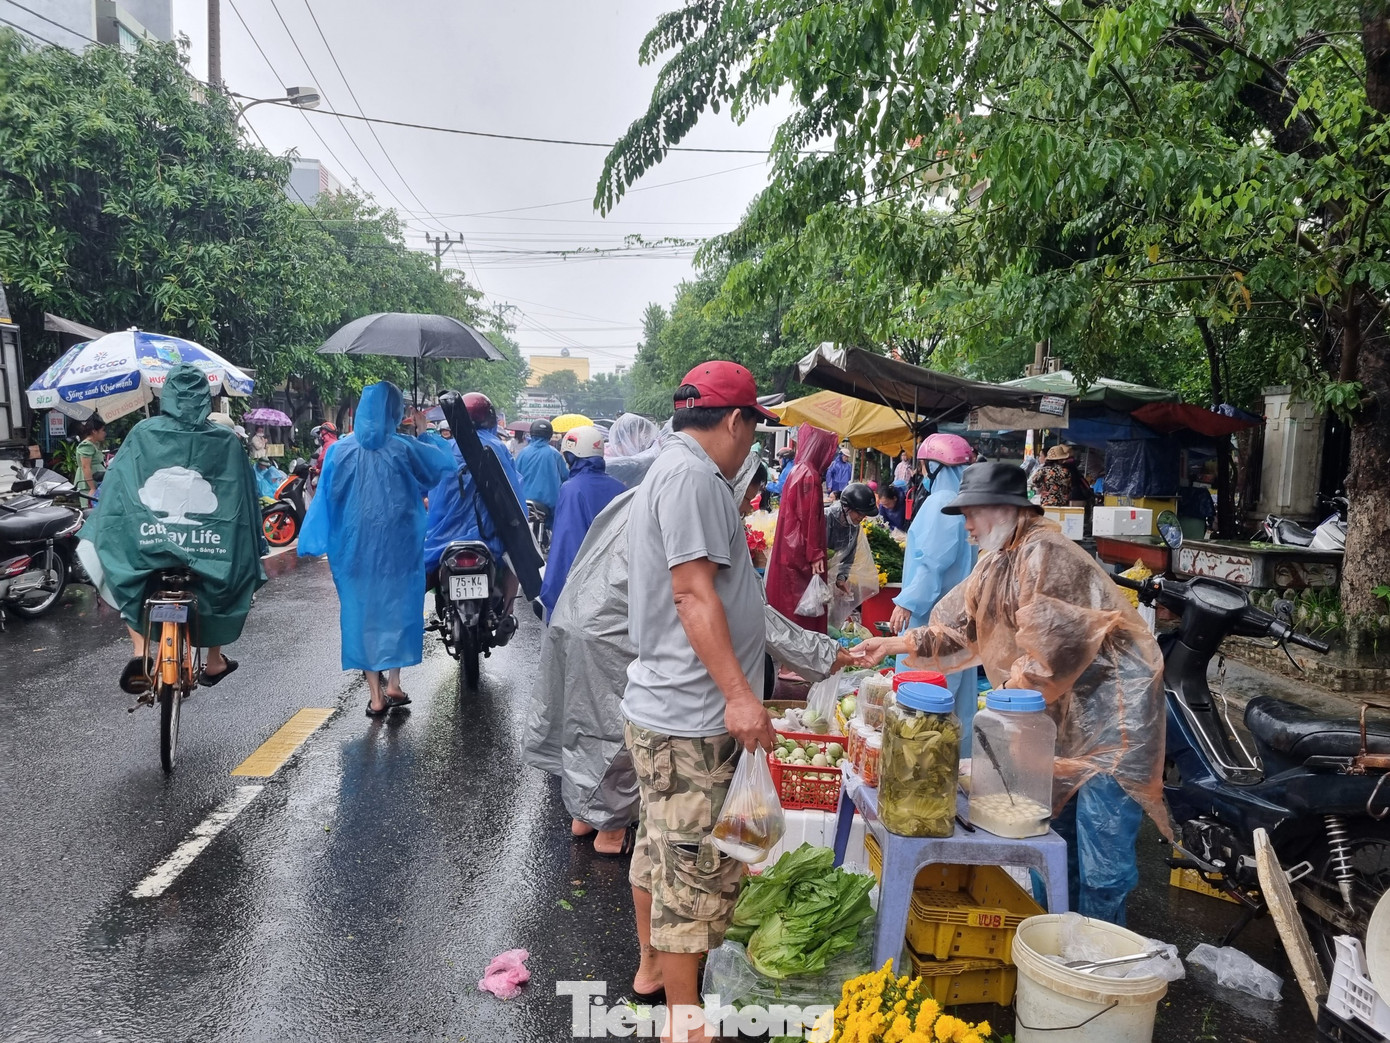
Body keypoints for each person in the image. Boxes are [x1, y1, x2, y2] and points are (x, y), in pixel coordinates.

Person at [853, 461, 1169, 924]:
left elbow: (1052, 655)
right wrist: (893, 644)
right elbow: (959, 629)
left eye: (971, 514)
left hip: (1112, 719)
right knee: (1050, 836)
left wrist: (1003, 703)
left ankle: (1097, 951)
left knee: (1102, 860)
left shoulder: (1047, 555)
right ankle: (1052, 935)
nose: (966, 526)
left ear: (1005, 509)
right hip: (1054, 716)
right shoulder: (998, 560)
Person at [524, 448, 849, 862]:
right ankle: (609, 831)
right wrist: (825, 653)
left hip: (582, 614)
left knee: (590, 726)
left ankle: (586, 818)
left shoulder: (646, 491)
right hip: (613, 632)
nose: (748, 509)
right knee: (614, 734)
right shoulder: (697, 510)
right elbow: (745, 613)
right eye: (748, 498)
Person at [621, 361, 781, 1033]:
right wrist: (741, 696)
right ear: (736, 420)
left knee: (660, 848)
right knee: (689, 868)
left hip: (667, 708)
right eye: (754, 430)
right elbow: (692, 594)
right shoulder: (692, 477)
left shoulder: (675, 469)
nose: (752, 445)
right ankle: (686, 1022)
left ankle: (653, 973)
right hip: (690, 717)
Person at [77, 364, 266, 694]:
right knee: (229, 583)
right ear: (205, 398)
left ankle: (140, 653)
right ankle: (214, 659)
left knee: (124, 575)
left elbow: (119, 489)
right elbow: (243, 500)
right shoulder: (226, 440)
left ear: (167, 396)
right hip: (210, 551)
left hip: (148, 547)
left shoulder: (142, 432)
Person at [298, 381, 456, 717]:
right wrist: (424, 433)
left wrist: (316, 538)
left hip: (352, 548)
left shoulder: (339, 451)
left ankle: (375, 696)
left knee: (361, 615)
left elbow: (326, 497)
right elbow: (439, 468)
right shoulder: (404, 448)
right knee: (399, 610)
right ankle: (394, 683)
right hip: (399, 548)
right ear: (394, 411)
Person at [890, 433, 978, 750]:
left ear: (935, 466)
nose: (921, 472)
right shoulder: (966, 505)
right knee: (956, 706)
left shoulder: (942, 503)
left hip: (931, 619)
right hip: (959, 619)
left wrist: (907, 603)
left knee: (923, 712)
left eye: (924, 465)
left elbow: (931, 564)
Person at [421, 392, 528, 636]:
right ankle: (507, 614)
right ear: (489, 419)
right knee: (516, 558)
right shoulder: (498, 448)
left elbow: (433, 490)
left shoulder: (446, 449)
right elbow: (515, 493)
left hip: (445, 537)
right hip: (490, 536)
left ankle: (408, 621)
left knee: (421, 569)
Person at [539, 425, 625, 618]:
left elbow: (566, 546)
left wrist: (553, 597)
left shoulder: (571, 489)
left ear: (572, 456)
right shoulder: (620, 488)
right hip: (614, 585)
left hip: (581, 588)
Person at [764, 424, 839, 632]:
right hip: (801, 552)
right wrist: (815, 554)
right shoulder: (809, 475)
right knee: (803, 612)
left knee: (787, 607)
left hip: (789, 548)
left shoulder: (796, 470)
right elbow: (809, 518)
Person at [515, 418, 568, 527]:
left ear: (532, 433)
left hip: (524, 502)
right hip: (549, 506)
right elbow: (566, 476)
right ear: (549, 435)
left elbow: (515, 476)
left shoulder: (523, 453)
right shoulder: (554, 454)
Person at [603, 412, 662, 488]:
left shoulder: (637, 455)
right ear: (627, 435)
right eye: (640, 436)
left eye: (646, 437)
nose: (643, 442)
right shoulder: (606, 457)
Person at [1029, 444, 1094, 507]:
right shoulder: (1066, 471)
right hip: (1063, 503)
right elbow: (1069, 487)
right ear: (1061, 459)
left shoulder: (1043, 470)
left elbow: (1034, 481)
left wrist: (1041, 489)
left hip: (1047, 502)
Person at [73, 416, 107, 502]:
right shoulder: (86, 445)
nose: (104, 433)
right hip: (89, 485)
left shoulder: (94, 444)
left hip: (97, 482)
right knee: (90, 507)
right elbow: (85, 467)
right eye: (102, 430)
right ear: (94, 431)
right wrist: (92, 488)